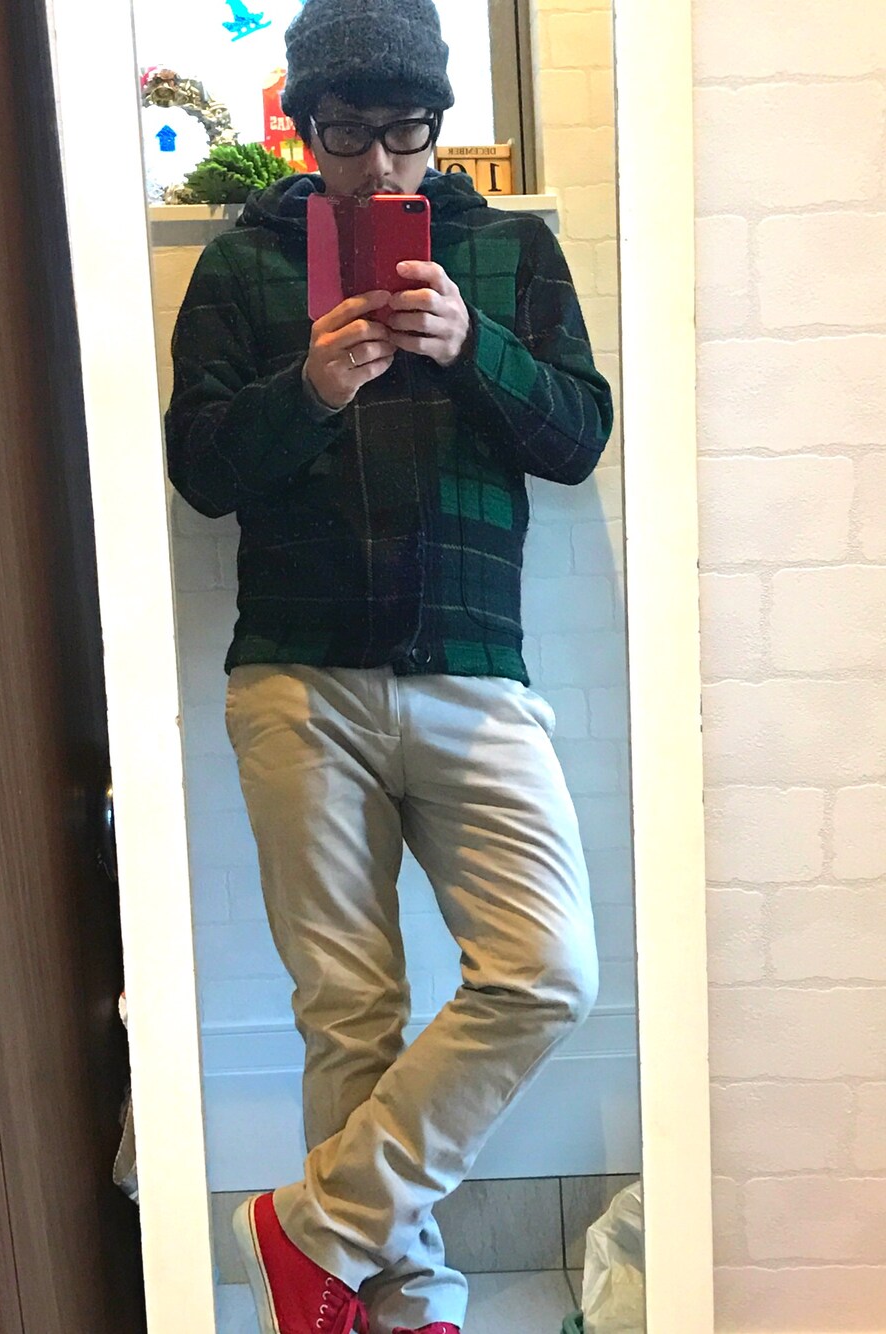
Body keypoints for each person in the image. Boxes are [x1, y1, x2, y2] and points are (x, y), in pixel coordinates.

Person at [164, 1, 614, 1331]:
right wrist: (308, 389)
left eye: (404, 132)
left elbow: (579, 434)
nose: (377, 167)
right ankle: (398, 1301)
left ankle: (311, 1229)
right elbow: (200, 471)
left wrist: (474, 347)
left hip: (476, 670)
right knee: (348, 1011)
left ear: (439, 123)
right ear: (304, 126)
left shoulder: (509, 249)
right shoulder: (245, 266)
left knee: (547, 969)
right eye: (347, 133)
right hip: (298, 680)